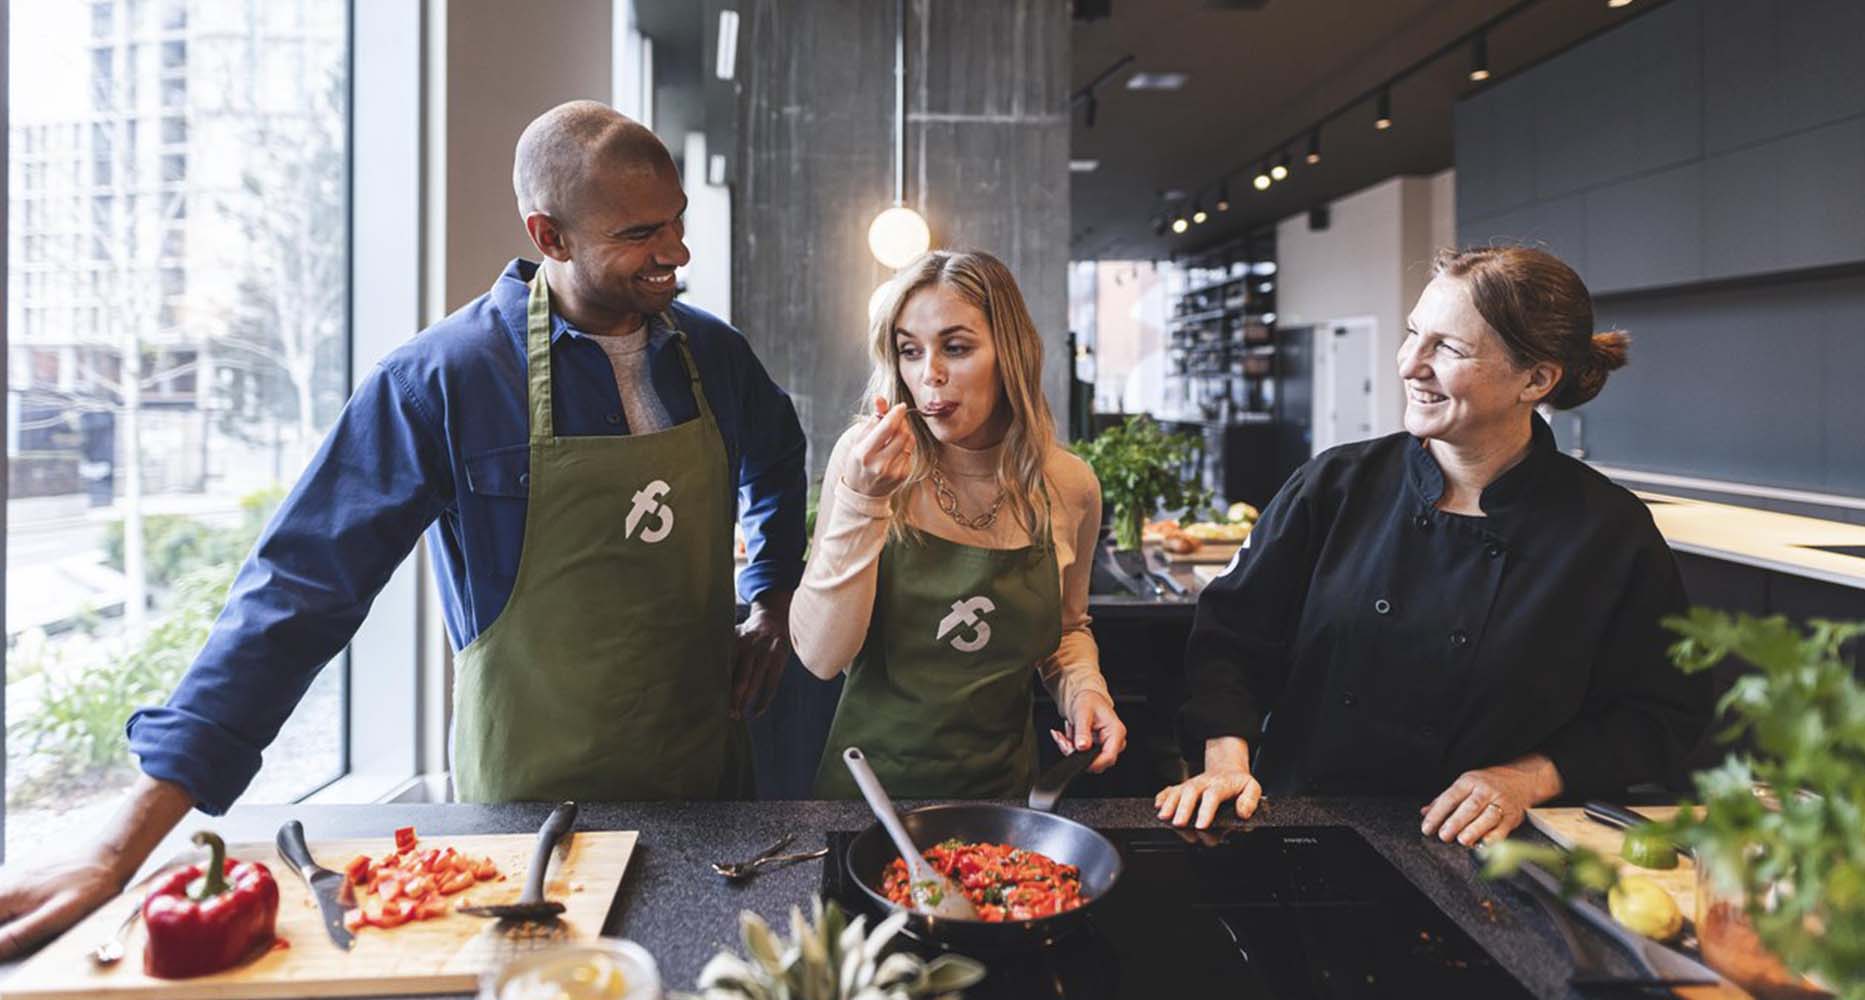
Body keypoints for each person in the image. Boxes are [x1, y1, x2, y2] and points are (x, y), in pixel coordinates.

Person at [0, 101, 806, 956]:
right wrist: (123, 840)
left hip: (709, 784)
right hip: (533, 813)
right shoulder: (440, 380)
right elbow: (300, 590)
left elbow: (777, 452)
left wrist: (769, 594)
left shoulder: (712, 355)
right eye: (642, 233)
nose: (675, 253)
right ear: (551, 235)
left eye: (676, 222)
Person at [1156, 245, 1711, 842]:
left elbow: (1659, 715)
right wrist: (1226, 765)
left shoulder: (1607, 532)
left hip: (1495, 856)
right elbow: (1232, 637)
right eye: (1414, 332)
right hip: (1301, 826)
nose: (1409, 363)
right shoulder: (1335, 487)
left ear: (1537, 378)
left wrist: (1528, 778)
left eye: (1447, 348)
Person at [792, 250, 1127, 799]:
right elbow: (821, 657)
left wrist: (1087, 692)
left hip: (1005, 804)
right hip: (867, 803)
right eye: (909, 351)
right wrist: (863, 500)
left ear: (1010, 353)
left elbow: (1065, 631)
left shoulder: (1071, 485)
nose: (931, 375)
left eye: (956, 347)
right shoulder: (867, 460)